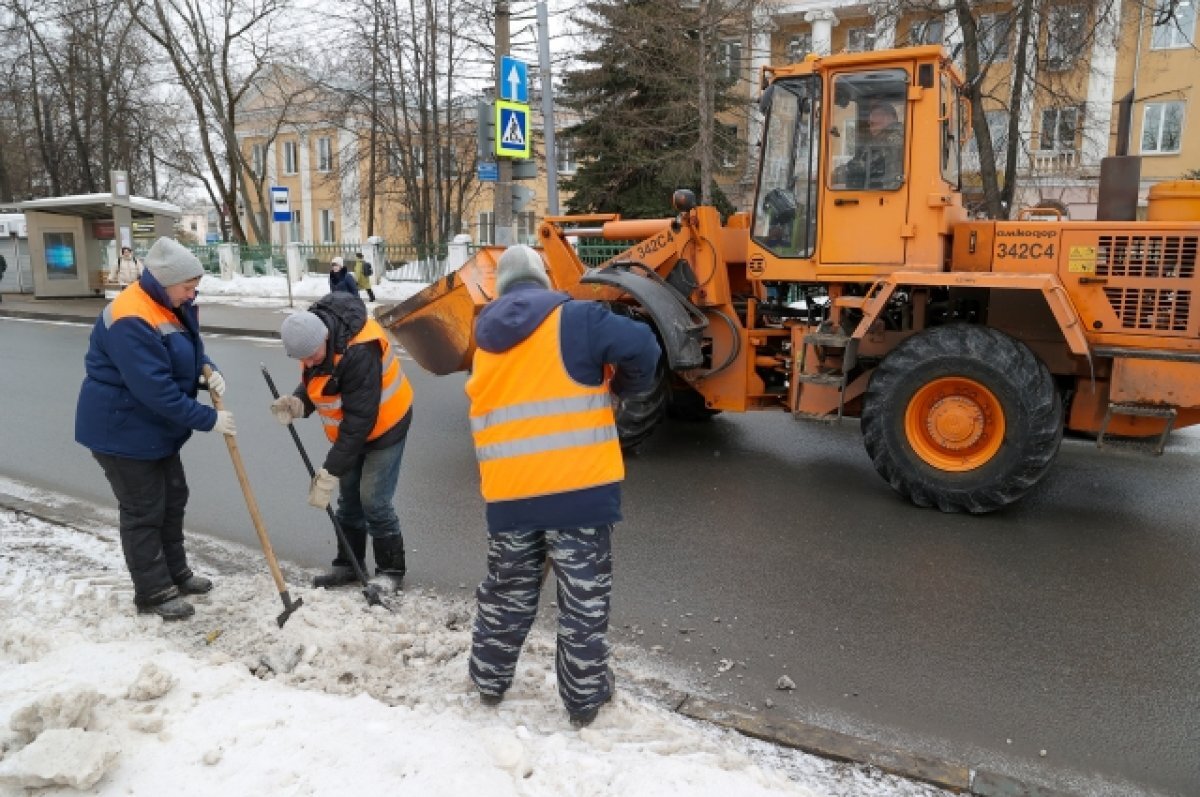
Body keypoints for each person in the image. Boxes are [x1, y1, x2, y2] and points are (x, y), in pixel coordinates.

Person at [464, 245, 661, 727]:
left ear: (500, 288)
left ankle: (488, 681)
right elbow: (645, 346)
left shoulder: (484, 342)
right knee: (582, 604)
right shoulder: (577, 320)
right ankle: (583, 700)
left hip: (509, 496)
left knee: (506, 595)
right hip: (578, 494)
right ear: (544, 279)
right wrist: (624, 388)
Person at [75, 236, 235, 621]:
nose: (193, 293)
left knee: (173, 500)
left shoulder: (171, 303)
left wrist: (207, 372)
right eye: (188, 286)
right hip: (122, 430)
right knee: (144, 511)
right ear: (166, 281)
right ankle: (153, 591)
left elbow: (188, 350)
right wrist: (208, 419)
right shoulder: (130, 317)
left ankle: (176, 573)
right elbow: (155, 389)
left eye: (196, 286)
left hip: (154, 430)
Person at [271, 291, 412, 590]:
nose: (308, 363)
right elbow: (322, 380)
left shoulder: (360, 351)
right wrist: (298, 403)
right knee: (348, 501)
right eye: (302, 359)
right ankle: (348, 565)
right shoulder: (314, 343)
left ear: (325, 336)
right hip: (354, 430)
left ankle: (390, 571)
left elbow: (358, 423)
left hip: (386, 426)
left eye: (311, 356)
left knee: (374, 501)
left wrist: (329, 471)